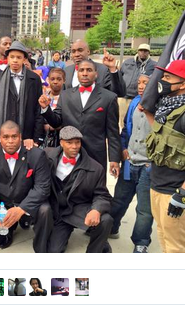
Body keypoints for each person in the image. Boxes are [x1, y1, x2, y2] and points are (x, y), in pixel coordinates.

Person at [0, 121, 52, 253]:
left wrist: (21, 209)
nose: (10, 141)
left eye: (14, 136)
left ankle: (41, 248)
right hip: (3, 204)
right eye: (6, 137)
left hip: (26, 202)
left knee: (45, 210)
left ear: (20, 137)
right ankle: (5, 235)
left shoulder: (36, 155)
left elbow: (42, 187)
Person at [40, 59, 121, 174]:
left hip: (95, 155)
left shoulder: (109, 97)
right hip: (69, 153)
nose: (85, 73)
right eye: (81, 70)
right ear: (77, 73)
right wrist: (46, 109)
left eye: (89, 70)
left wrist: (114, 159)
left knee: (94, 190)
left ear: (96, 74)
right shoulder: (65, 95)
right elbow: (56, 122)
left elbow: (113, 132)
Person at [45, 126, 113, 253]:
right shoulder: (47, 156)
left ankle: (96, 248)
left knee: (105, 219)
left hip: (78, 210)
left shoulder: (95, 168)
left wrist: (96, 210)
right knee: (54, 251)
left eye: (77, 142)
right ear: (61, 142)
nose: (74, 146)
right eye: (69, 142)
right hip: (58, 212)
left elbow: (102, 195)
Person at [143, 60, 185, 253]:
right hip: (157, 186)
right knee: (163, 238)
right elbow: (164, 136)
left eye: (168, 77)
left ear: (183, 84)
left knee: (177, 247)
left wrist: (183, 193)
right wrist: (148, 113)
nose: (163, 80)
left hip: (175, 191)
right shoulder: (166, 108)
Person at [110, 74, 154, 252]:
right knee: (119, 199)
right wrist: (123, 148)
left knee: (144, 209)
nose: (141, 86)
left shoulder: (161, 106)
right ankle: (111, 228)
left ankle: (141, 242)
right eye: (139, 83)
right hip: (130, 161)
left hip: (148, 166)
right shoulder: (134, 103)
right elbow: (125, 129)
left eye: (146, 83)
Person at [0, 41, 44, 148]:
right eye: (12, 57)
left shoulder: (34, 79)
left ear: (24, 59)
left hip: (27, 139)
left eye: (19, 57)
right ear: (7, 58)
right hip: (3, 138)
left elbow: (38, 110)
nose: (15, 60)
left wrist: (37, 139)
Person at [119, 43, 156, 125]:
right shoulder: (127, 62)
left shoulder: (153, 65)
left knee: (137, 122)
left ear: (149, 52)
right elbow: (120, 77)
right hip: (125, 97)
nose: (143, 52)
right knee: (123, 121)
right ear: (138, 51)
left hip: (141, 99)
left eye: (145, 51)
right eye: (141, 50)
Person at [42, 68, 66, 148]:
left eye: (59, 79)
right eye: (52, 79)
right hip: (43, 136)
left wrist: (58, 126)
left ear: (64, 80)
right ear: (48, 80)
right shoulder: (43, 96)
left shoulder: (68, 97)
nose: (55, 82)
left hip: (61, 137)